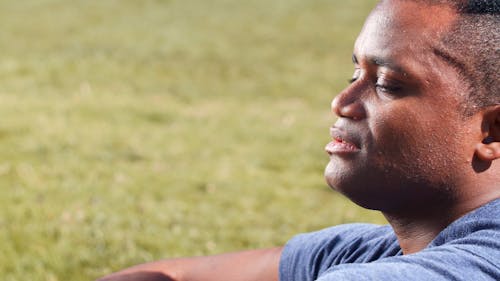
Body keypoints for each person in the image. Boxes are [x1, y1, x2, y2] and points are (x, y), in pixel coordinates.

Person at [98, 0, 500, 280]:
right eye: (353, 75)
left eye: (386, 84)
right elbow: (174, 275)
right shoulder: (371, 252)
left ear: (491, 132)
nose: (342, 102)